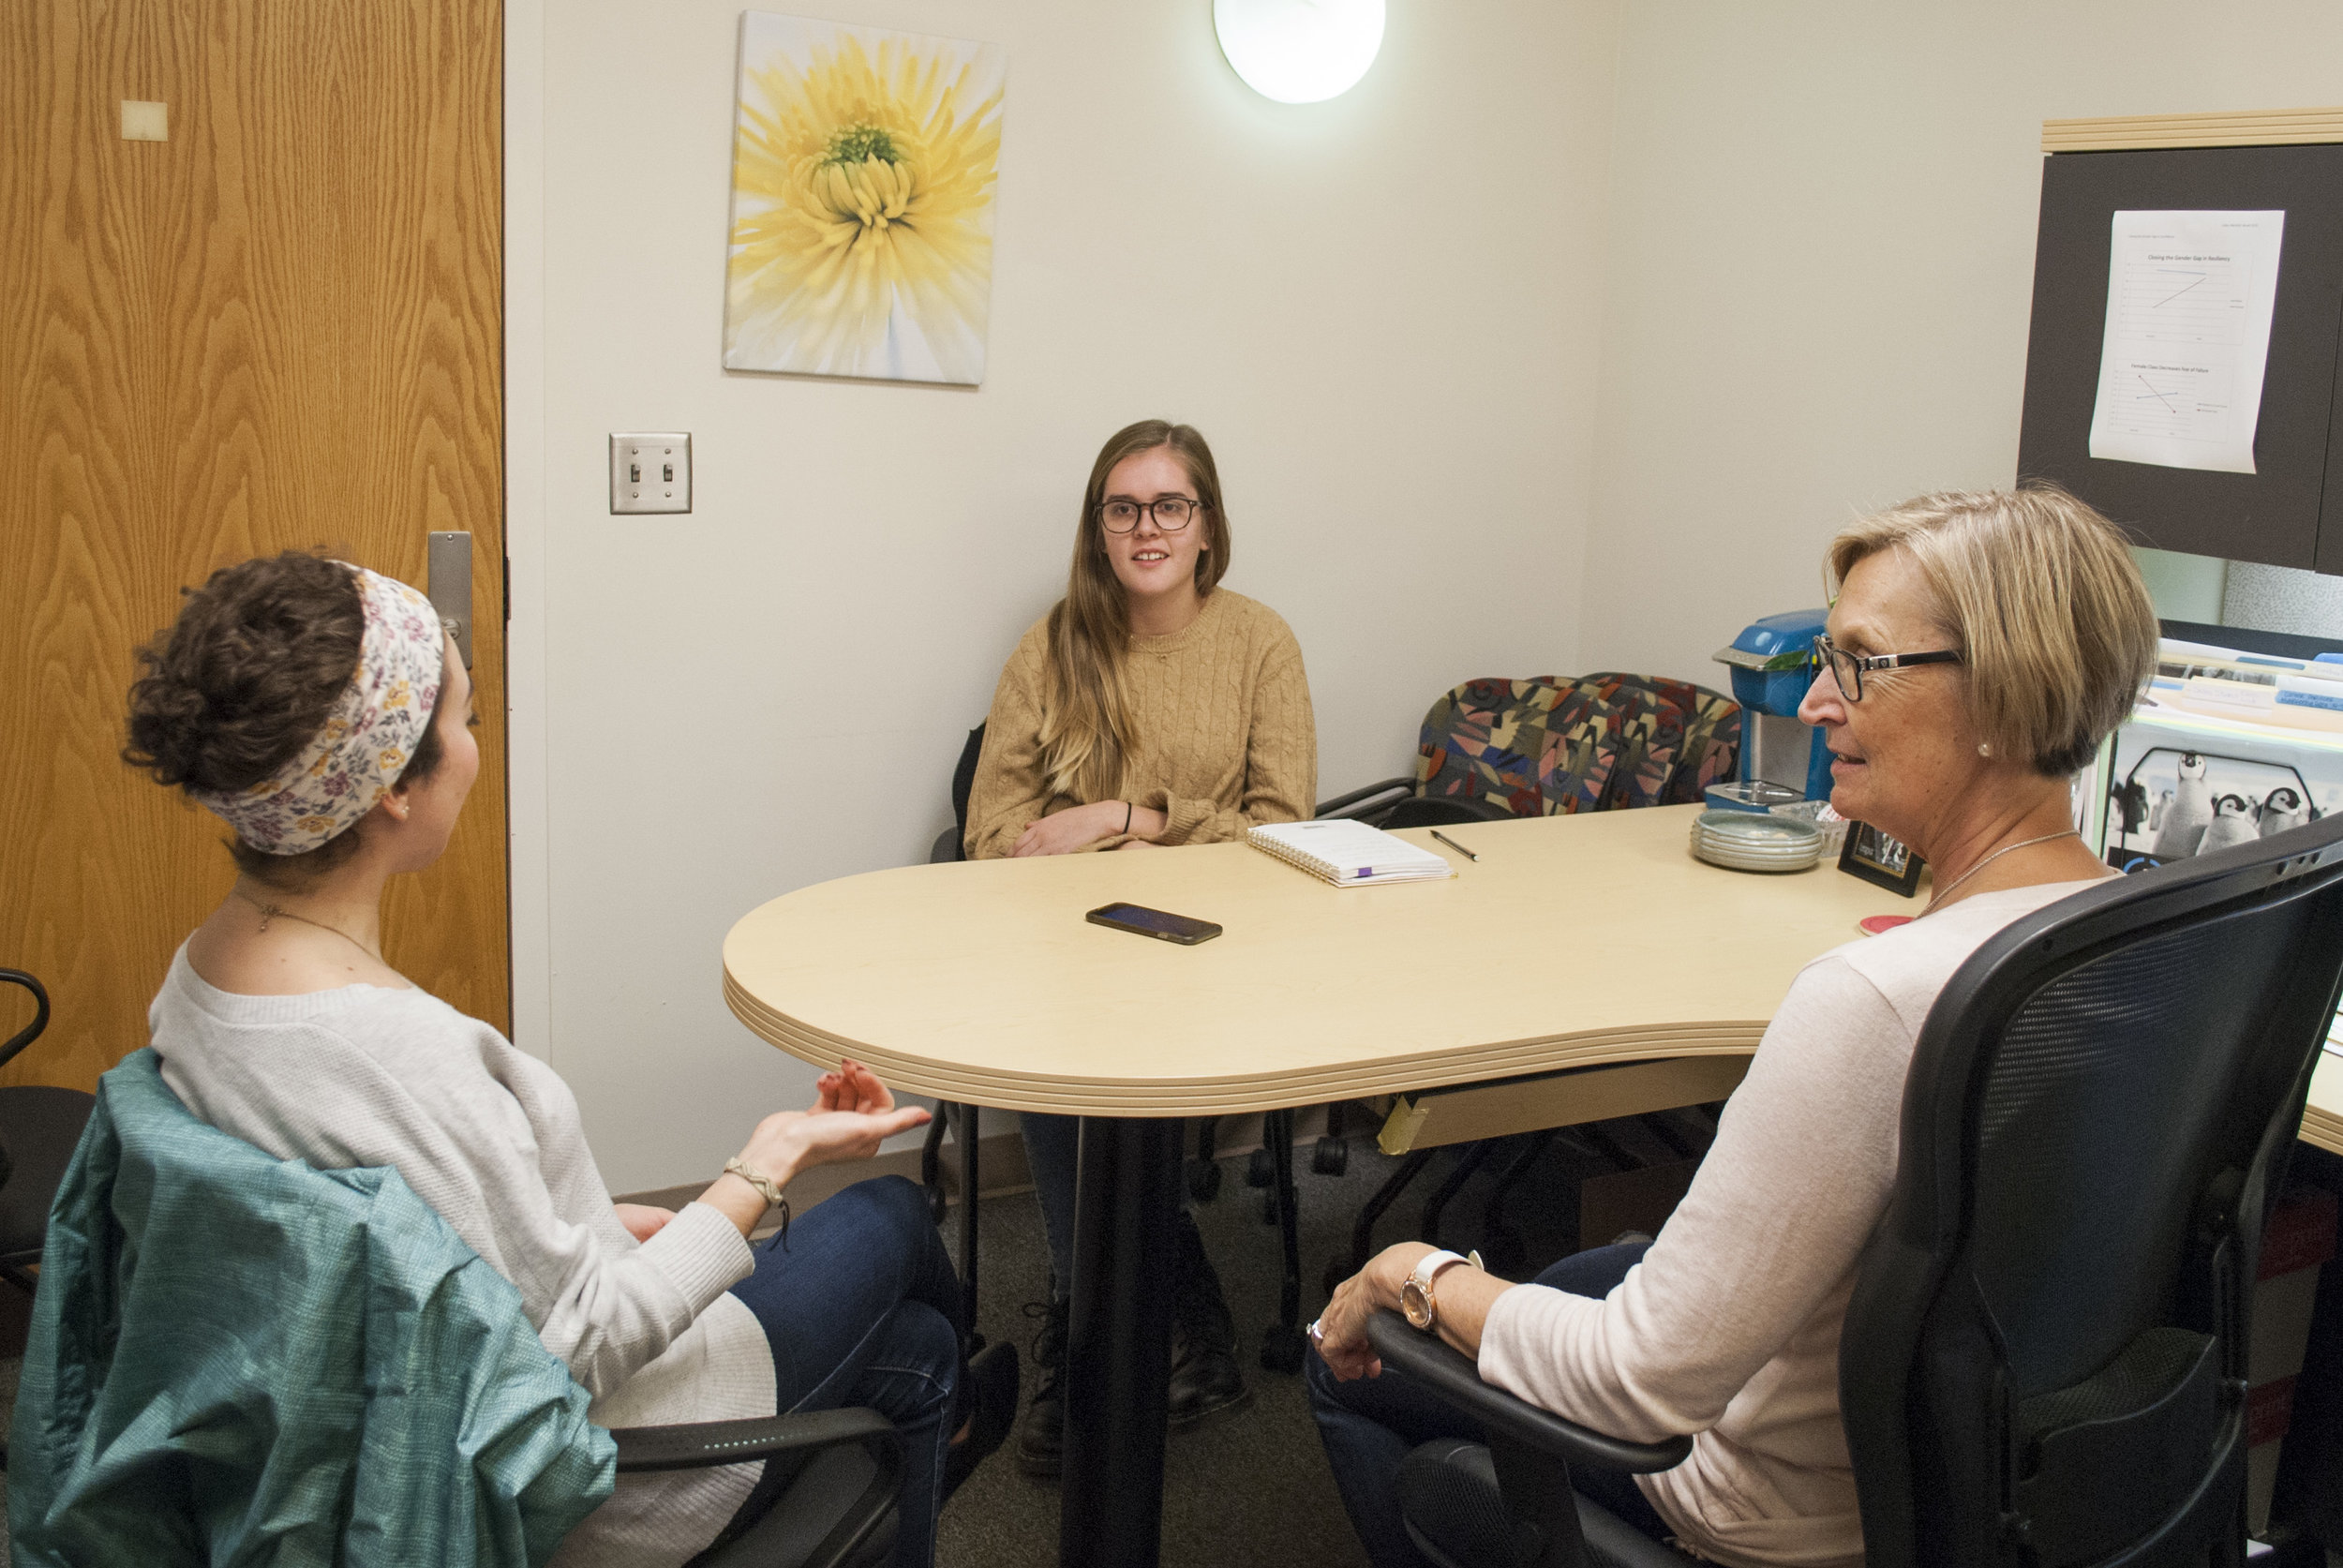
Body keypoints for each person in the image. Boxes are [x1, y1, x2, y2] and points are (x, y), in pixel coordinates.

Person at [1306, 486, 2159, 1568]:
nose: (1813, 702)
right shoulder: (2136, 933)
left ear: (2001, 695)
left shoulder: (1876, 996)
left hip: (1762, 1506)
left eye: (1858, 661)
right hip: (1978, 1490)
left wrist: (1410, 1270)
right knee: (1613, 1262)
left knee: (1350, 1352)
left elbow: (1637, 1381)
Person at [122, 552, 1015, 1568]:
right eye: (463, 721)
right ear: (392, 792)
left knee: (919, 1354)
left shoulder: (197, 983)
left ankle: (941, 1412)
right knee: (893, 1214)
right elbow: (579, 1348)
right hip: (589, 1478)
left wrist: (579, 1225)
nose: (471, 746)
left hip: (372, 1436)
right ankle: (950, 1416)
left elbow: (417, 1247)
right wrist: (764, 1164)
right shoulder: (412, 1061)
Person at [962, 418, 1317, 1473]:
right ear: (1098, 527)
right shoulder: (1055, 642)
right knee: (1056, 1050)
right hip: (1076, 943)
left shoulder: (1259, 640)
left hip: (1224, 943)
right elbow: (990, 834)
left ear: (1206, 527)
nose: (1146, 526)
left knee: (1121, 1070)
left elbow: (1285, 819)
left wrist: (1128, 816)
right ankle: (1139, 1316)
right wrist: (1061, 843)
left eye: (1170, 505)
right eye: (1124, 507)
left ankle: (1106, 1327)